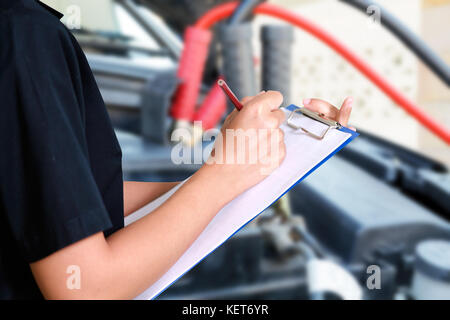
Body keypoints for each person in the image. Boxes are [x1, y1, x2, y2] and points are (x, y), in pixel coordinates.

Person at [0, 0, 354, 299]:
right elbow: (86, 289)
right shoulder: (24, 35)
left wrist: (244, 173)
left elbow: (75, 207)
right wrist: (224, 175)